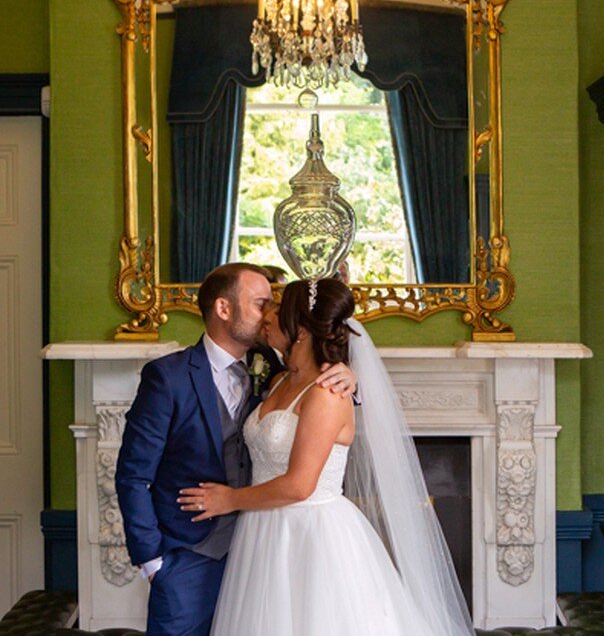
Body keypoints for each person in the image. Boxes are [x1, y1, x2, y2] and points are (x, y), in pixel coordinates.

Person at [179, 278, 475, 636]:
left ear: (301, 330)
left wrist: (229, 500)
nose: (267, 316)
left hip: (311, 535)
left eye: (277, 308)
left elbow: (300, 485)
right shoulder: (276, 379)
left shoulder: (328, 393)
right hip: (262, 532)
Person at [115, 263, 356, 636]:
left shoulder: (275, 372)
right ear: (224, 310)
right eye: (261, 304)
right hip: (188, 557)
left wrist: (349, 375)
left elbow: (322, 405)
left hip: (262, 551)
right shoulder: (169, 376)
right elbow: (133, 474)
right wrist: (152, 560)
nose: (269, 316)